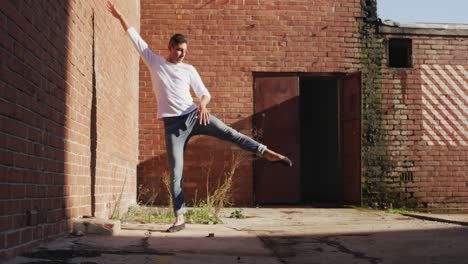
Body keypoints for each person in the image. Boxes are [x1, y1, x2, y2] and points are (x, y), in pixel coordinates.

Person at [106, 0, 292, 233]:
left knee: (230, 133)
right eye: (178, 50)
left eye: (184, 51)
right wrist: (121, 16)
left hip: (195, 115)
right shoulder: (155, 62)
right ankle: (179, 218)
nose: (182, 54)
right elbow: (136, 39)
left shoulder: (189, 69)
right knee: (176, 171)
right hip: (173, 126)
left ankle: (267, 152)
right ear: (170, 48)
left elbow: (204, 93)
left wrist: (203, 105)